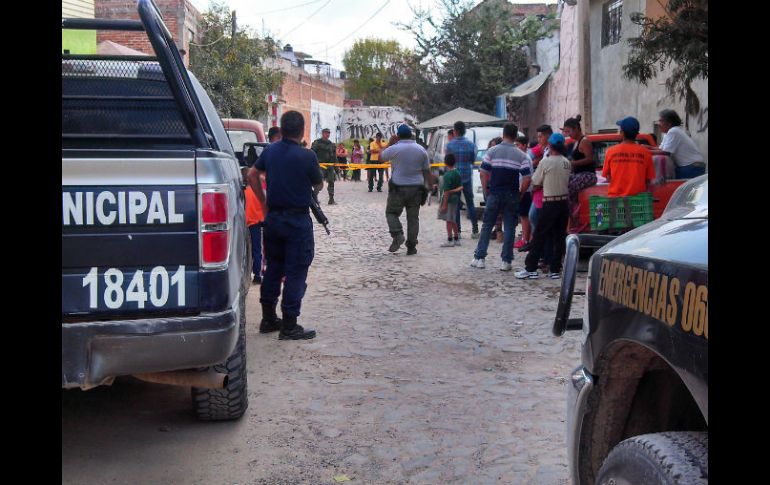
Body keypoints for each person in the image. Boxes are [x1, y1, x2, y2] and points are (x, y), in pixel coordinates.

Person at [247, 110, 321, 340]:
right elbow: (318, 184)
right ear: (301, 131)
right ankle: (289, 324)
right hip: (297, 221)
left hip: (274, 220)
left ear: (282, 127)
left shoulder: (270, 151)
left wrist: (264, 202)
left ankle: (268, 318)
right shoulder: (307, 156)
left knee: (274, 268)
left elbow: (251, 175)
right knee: (296, 270)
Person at [470, 123, 531, 271]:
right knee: (510, 227)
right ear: (516, 136)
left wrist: (486, 190)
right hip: (512, 194)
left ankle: (479, 258)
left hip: (495, 192)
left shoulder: (492, 151)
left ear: (503, 134)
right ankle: (506, 261)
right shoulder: (521, 155)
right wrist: (521, 193)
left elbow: (483, 173)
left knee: (487, 225)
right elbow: (527, 178)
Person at [515, 133, 572, 280]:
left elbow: (536, 182)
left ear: (550, 146)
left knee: (539, 235)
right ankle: (555, 269)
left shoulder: (545, 162)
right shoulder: (567, 162)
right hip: (563, 203)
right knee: (559, 237)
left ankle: (531, 268)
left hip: (550, 202)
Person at [379, 124, 434, 255]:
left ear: (398, 136)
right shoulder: (421, 150)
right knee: (413, 218)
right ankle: (411, 246)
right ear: (411, 135)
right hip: (416, 189)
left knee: (391, 213)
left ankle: (398, 234)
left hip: (398, 188)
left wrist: (389, 144)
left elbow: (381, 158)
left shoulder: (395, 148)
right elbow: (427, 171)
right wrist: (429, 187)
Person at [644, 109, 706, 179]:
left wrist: (645, 151)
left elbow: (666, 152)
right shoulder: (669, 133)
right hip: (691, 166)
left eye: (661, 121)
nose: (659, 124)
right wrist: (647, 147)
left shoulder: (673, 131)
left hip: (692, 167)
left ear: (669, 123)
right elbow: (661, 149)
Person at [602, 116, 656, 197]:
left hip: (616, 200)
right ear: (637, 134)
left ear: (622, 132)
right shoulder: (646, 153)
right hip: (638, 202)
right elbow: (648, 180)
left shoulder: (610, 151)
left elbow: (608, 177)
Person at [446, 121, 480, 239]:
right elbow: (472, 160)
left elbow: (448, 162)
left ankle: (458, 231)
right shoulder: (471, 145)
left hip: (454, 178)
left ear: (455, 131)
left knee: (455, 205)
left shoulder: (450, 145)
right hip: (466, 177)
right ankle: (475, 230)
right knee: (470, 203)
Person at [562, 115, 596, 231]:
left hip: (588, 175)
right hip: (578, 174)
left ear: (576, 128)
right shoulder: (575, 142)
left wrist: (573, 164)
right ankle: (572, 220)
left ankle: (574, 222)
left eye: (569, 131)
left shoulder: (584, 141)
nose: (568, 134)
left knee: (569, 189)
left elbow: (589, 159)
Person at [245, 147, 266, 284]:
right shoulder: (262, 186)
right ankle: (260, 272)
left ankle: (256, 273)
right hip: (262, 219)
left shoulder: (245, 191)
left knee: (254, 249)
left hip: (250, 221)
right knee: (262, 247)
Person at [437, 153, 463, 247]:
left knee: (448, 220)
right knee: (453, 220)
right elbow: (461, 187)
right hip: (456, 199)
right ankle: (456, 238)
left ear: (445, 163)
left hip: (449, 201)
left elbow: (446, 192)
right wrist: (454, 190)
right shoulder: (457, 173)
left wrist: (444, 205)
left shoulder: (447, 176)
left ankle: (449, 239)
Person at [513, 135, 533, 251]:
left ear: (525, 145)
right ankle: (524, 239)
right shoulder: (523, 157)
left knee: (525, 216)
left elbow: (526, 177)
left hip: (526, 190)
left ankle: (525, 240)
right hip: (524, 189)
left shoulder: (525, 157)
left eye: (518, 145)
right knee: (523, 216)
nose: (516, 147)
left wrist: (521, 190)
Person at [311, 128, 337, 204]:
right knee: (319, 183)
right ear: (322, 133)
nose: (327, 134)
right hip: (319, 166)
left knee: (331, 182)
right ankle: (314, 198)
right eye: (326, 133)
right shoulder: (317, 143)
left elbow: (334, 157)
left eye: (328, 133)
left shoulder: (331, 144)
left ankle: (331, 199)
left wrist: (337, 168)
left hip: (329, 166)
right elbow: (312, 153)